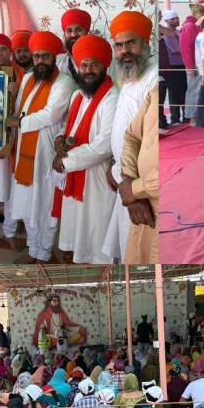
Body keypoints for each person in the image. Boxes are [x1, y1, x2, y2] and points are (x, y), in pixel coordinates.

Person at [9, 30, 75, 263]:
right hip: (24, 150)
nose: (40, 61)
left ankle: (44, 253)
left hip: (47, 151)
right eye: (37, 57)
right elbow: (19, 109)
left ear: (54, 57)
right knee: (28, 203)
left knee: (46, 204)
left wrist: (18, 123)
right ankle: (33, 250)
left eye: (46, 56)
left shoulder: (64, 82)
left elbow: (51, 114)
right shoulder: (28, 78)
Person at [53, 34, 118, 264]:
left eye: (94, 65)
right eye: (84, 65)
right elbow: (68, 126)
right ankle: (80, 253)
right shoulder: (78, 95)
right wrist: (59, 138)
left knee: (96, 224)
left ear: (105, 66)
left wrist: (65, 161)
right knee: (79, 221)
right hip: (76, 171)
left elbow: (104, 145)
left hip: (97, 175)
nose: (88, 70)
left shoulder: (111, 98)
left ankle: (99, 265)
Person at [102, 10, 157, 262]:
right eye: (119, 45)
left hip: (141, 187)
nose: (124, 51)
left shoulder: (153, 78)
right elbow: (130, 134)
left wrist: (134, 190)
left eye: (131, 43)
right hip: (126, 177)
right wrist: (117, 167)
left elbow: (149, 145)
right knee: (127, 247)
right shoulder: (129, 75)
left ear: (146, 42)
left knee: (138, 253)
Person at [120, 86, 159, 263]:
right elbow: (132, 136)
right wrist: (129, 182)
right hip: (141, 209)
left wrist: (136, 189)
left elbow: (175, 172)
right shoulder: (155, 91)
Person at [158, 9, 186, 129]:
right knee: (173, 92)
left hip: (181, 64)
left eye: (177, 18)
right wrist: (189, 53)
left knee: (182, 90)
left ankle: (184, 116)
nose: (176, 20)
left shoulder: (176, 31)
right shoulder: (165, 33)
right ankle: (175, 118)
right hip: (172, 66)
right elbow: (177, 50)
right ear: (166, 21)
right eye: (173, 19)